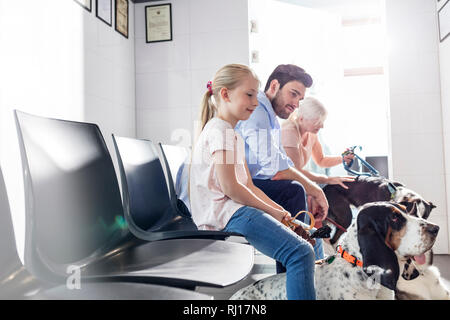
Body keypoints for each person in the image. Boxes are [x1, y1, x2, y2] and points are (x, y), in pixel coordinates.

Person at [189, 64, 317, 300]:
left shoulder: (232, 132)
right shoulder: (220, 131)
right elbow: (231, 188)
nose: (256, 102)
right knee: (301, 253)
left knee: (303, 247)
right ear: (225, 94)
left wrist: (279, 211)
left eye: (255, 95)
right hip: (226, 214)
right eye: (249, 94)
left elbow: (248, 184)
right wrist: (270, 210)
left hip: (235, 211)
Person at [235, 64, 327, 271]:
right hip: (236, 186)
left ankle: (315, 266)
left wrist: (313, 188)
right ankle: (294, 265)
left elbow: (277, 165)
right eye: (293, 94)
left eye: (300, 99)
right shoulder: (257, 110)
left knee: (296, 196)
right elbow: (276, 167)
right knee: (293, 190)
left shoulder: (269, 117)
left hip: (249, 180)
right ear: (274, 85)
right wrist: (315, 189)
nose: (296, 104)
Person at [281, 96, 354, 189]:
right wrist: (328, 179)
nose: (322, 126)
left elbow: (321, 160)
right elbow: (295, 171)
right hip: (279, 184)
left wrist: (343, 159)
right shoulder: (289, 132)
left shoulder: (312, 135)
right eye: (318, 121)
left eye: (322, 121)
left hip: (293, 182)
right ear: (301, 119)